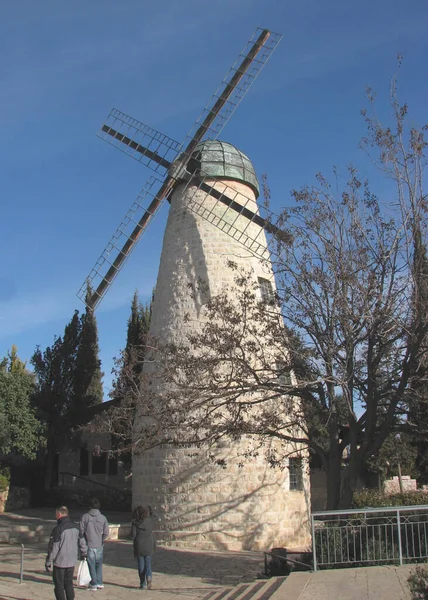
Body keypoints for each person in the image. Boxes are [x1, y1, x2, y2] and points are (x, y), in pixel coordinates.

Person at [45, 505, 87, 600]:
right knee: (69, 584)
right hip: (71, 561)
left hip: (60, 562)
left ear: (59, 514)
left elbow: (54, 548)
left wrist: (48, 561)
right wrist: (84, 553)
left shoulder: (58, 529)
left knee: (59, 586)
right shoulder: (76, 527)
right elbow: (82, 542)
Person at [79, 497, 110, 591]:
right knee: (98, 564)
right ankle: (99, 582)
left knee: (91, 564)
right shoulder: (103, 518)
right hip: (99, 544)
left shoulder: (85, 517)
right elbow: (106, 532)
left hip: (89, 544)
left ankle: (94, 583)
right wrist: (101, 539)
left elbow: (81, 531)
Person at [131, 505, 156, 590]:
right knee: (148, 563)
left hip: (139, 546)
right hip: (149, 545)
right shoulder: (150, 521)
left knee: (141, 565)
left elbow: (133, 535)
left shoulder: (135, 523)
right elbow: (154, 517)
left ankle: (143, 583)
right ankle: (149, 576)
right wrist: (151, 510)